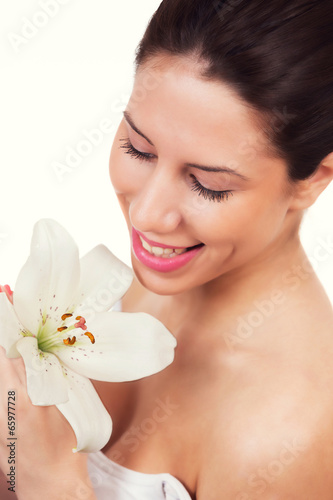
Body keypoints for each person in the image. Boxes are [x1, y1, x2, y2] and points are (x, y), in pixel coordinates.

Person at [1, 0, 333, 498]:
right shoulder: (106, 291)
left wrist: (53, 484)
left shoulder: (290, 431)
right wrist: (12, 443)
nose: (146, 216)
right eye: (139, 148)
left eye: (208, 185)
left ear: (312, 180)